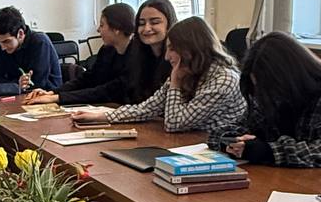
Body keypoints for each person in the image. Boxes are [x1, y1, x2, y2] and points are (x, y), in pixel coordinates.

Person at [214, 32, 321, 178]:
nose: (265, 96)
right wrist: (230, 141)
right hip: (287, 177)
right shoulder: (271, 94)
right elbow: (238, 127)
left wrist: (268, 151)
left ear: (288, 78)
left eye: (268, 88)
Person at [69, 17, 245, 135]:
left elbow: (174, 123)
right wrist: (100, 116)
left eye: (173, 49)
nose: (167, 56)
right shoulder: (190, 70)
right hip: (190, 144)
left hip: (218, 152)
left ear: (191, 49)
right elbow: (147, 108)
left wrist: (175, 83)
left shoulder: (223, 79)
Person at [25, 3, 135, 106]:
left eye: (102, 25)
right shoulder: (107, 50)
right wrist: (52, 92)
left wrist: (58, 98)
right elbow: (89, 78)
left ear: (116, 29)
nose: (98, 30)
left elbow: (106, 91)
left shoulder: (137, 56)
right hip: (106, 107)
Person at [0, 6, 62, 93]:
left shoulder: (40, 42)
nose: (3, 47)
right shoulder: (1, 45)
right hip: (15, 95)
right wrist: (17, 84)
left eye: (6, 41)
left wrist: (12, 85)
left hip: (47, 94)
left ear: (20, 34)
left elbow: (37, 83)